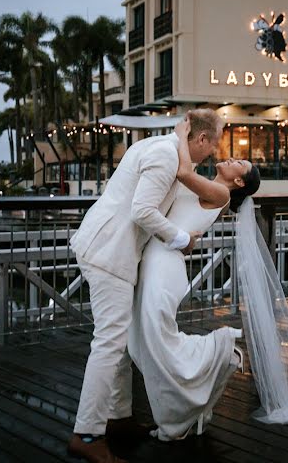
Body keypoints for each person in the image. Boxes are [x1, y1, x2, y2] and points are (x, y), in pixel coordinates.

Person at [67, 110, 222, 463]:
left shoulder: (167, 149)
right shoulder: (166, 154)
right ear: (200, 139)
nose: (215, 150)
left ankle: (118, 419)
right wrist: (181, 238)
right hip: (111, 253)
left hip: (110, 249)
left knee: (116, 343)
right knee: (108, 343)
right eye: (213, 142)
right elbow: (141, 210)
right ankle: (87, 433)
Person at [128, 117, 261, 440]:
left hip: (165, 266)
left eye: (238, 163)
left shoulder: (220, 194)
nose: (231, 158)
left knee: (159, 339)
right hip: (158, 259)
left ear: (239, 183)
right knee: (141, 343)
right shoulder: (211, 183)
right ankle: (186, 408)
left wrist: (180, 135)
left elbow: (183, 172)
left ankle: (221, 351)